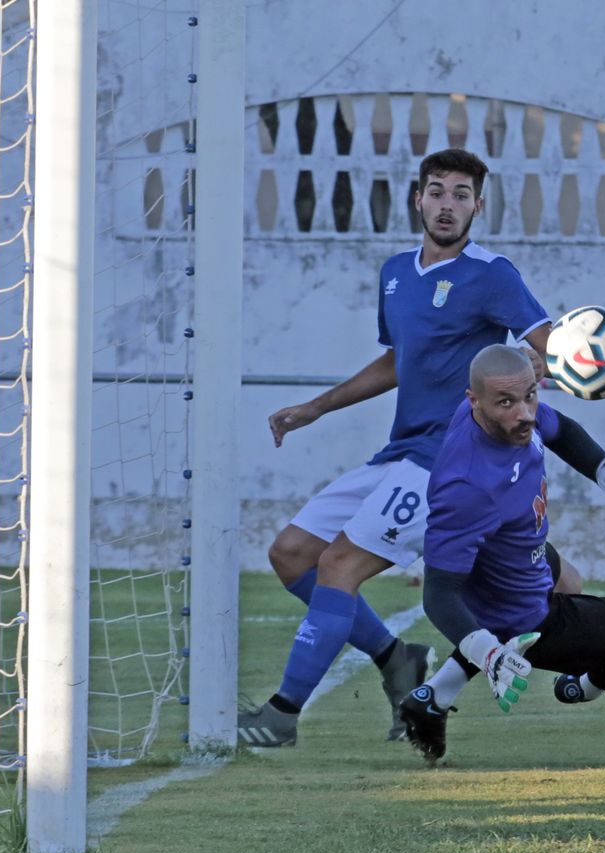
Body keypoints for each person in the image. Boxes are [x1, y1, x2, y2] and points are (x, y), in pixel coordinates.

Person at [236, 148, 555, 749]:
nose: (447, 205)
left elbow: (548, 345)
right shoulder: (396, 274)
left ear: (478, 207)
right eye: (437, 191)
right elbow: (396, 361)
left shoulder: (493, 274)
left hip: (447, 460)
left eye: (462, 195)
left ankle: (281, 716)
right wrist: (316, 408)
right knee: (292, 554)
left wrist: (549, 360)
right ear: (418, 198)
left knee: (339, 566)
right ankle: (396, 659)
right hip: (400, 452)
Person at [398, 345, 605, 763]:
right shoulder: (466, 486)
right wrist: (488, 653)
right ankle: (581, 688)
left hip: (520, 551)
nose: (525, 414)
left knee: (569, 580)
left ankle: (434, 696)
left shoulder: (506, 410)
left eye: (530, 395)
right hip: (525, 615)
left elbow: (562, 430)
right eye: (507, 403)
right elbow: (439, 593)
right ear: (473, 402)